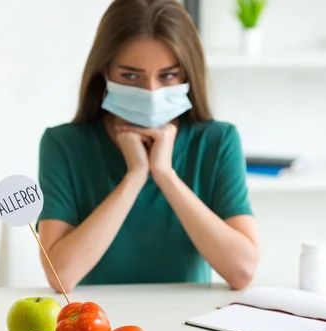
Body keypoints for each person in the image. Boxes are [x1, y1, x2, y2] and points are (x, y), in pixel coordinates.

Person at [36, 0, 260, 293]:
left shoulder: (218, 142)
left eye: (168, 75)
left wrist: (165, 175)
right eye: (130, 75)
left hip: (189, 323)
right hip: (96, 329)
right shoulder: (64, 144)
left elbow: (242, 271)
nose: (151, 92)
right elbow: (60, 276)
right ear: (105, 72)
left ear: (187, 75)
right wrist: (134, 177)